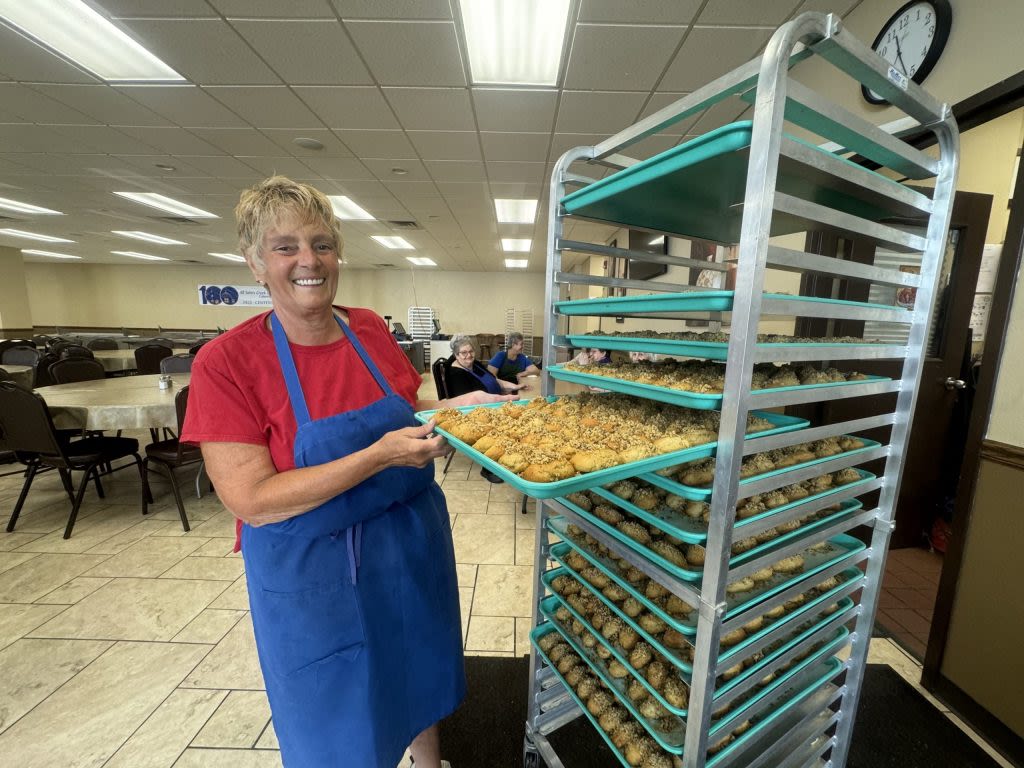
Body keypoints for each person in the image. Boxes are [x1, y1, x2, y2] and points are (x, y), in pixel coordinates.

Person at [180, 176, 512, 768]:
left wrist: (456, 409)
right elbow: (251, 499)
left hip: (408, 544)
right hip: (316, 569)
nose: (308, 260)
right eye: (285, 247)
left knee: (419, 673)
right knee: (334, 718)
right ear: (255, 262)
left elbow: (405, 405)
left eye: (321, 243)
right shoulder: (226, 362)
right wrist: (378, 457)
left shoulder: (369, 329)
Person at [445, 335, 525, 398]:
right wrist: (503, 398)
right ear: (456, 355)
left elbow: (494, 380)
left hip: (497, 399)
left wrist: (515, 386)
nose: (469, 355)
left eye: (471, 351)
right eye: (464, 353)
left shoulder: (475, 364)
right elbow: (471, 401)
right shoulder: (457, 374)